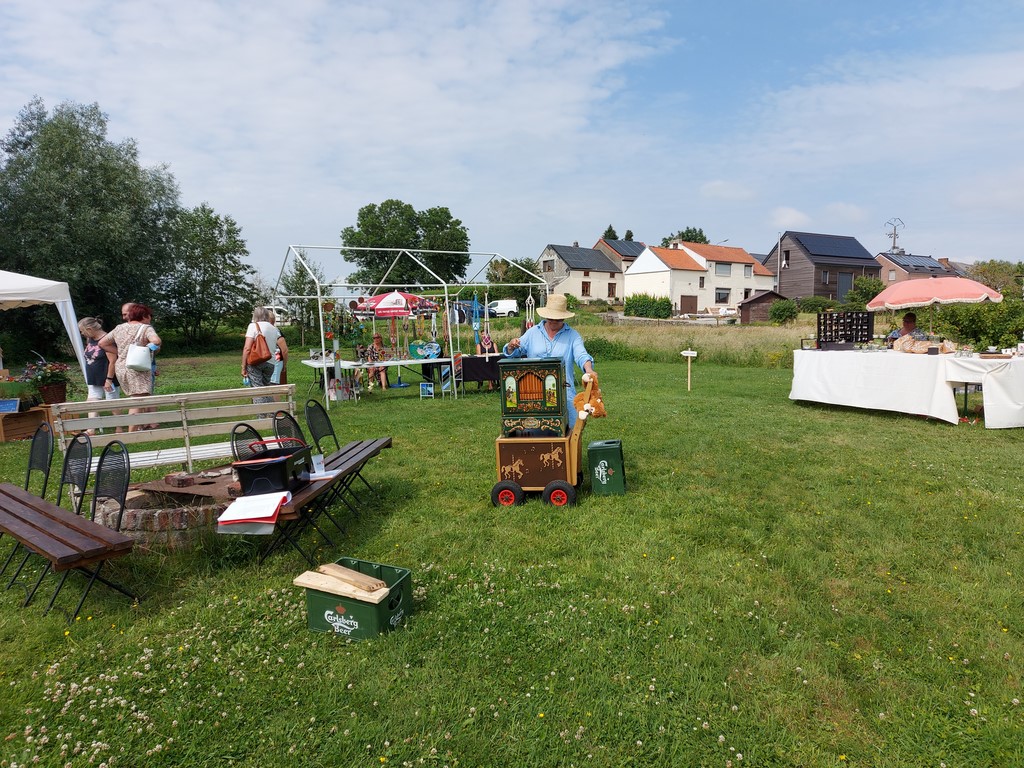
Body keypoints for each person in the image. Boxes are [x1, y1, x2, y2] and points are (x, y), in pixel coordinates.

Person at [502, 293, 595, 428]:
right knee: (534, 432)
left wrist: (589, 369)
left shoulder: (573, 335)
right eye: (550, 318)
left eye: (558, 319)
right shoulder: (532, 333)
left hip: (565, 393)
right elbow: (515, 351)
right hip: (533, 396)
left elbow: (581, 355)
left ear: (564, 317)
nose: (553, 322)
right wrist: (511, 346)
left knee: (571, 431)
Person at [99, 303, 161, 431]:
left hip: (122, 367)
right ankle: (131, 434)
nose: (150, 319)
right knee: (137, 401)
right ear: (144, 316)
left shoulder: (119, 328)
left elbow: (102, 343)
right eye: (149, 316)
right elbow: (156, 341)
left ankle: (138, 428)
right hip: (138, 368)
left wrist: (121, 353)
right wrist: (145, 351)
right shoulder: (146, 328)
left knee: (138, 399)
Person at [78, 317, 122, 434]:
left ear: (89, 329)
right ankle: (91, 429)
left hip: (107, 377)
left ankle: (119, 427)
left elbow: (113, 361)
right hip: (94, 378)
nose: (82, 334)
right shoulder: (90, 339)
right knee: (91, 402)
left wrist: (109, 379)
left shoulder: (107, 340)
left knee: (112, 403)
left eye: (82, 331)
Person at [242, 306, 288, 404]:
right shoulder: (274, 329)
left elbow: (247, 348)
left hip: (255, 362)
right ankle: (271, 411)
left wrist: (243, 366)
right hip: (270, 362)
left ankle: (262, 413)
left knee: (257, 390)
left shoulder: (253, 326)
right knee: (267, 389)